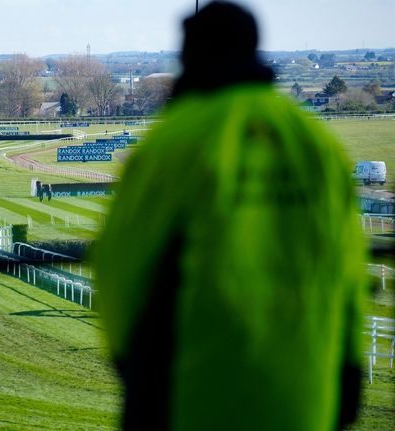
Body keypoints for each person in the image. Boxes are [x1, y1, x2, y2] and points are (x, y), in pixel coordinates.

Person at [93, 3, 366, 431]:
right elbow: (349, 269)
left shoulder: (172, 142)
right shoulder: (316, 142)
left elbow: (119, 268)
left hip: (191, 397)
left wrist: (132, 369)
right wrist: (349, 370)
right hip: (307, 393)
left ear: (190, 55)